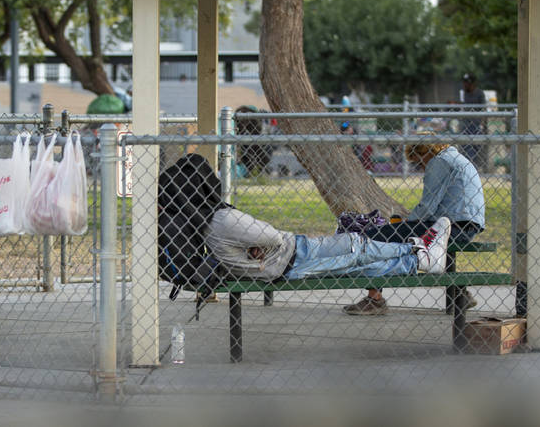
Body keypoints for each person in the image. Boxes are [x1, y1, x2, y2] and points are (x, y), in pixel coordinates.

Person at [343, 139, 485, 315]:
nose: (420, 167)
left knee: (376, 236)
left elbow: (427, 206)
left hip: (454, 225)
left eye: (418, 161)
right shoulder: (456, 158)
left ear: (426, 153)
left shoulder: (438, 161)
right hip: (466, 226)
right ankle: (460, 293)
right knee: (420, 237)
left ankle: (375, 299)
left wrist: (406, 223)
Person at [207, 209, 452, 281]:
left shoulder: (204, 231)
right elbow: (273, 238)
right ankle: (416, 249)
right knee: (354, 244)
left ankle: (418, 260)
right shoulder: (220, 219)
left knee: (358, 269)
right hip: (292, 254)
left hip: (284, 270)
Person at [459, 73, 487, 169]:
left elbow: (484, 109)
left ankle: (478, 167)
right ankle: (467, 167)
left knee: (477, 147)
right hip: (466, 124)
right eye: (464, 83)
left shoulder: (479, 93)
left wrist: (482, 124)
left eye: (467, 83)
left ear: (473, 83)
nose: (465, 85)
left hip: (476, 124)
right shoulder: (464, 93)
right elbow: (461, 106)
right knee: (465, 146)